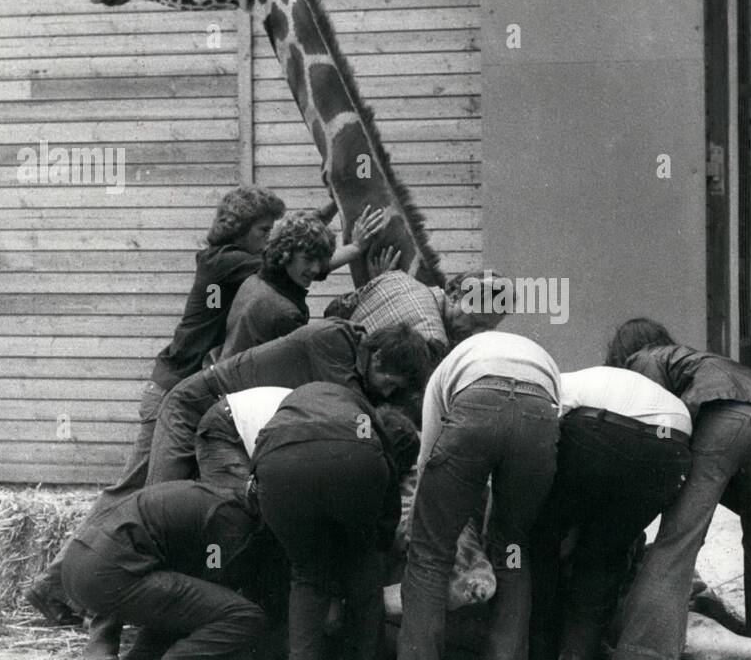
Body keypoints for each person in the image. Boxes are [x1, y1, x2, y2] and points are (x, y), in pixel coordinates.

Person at [27, 185, 285, 660]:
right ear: (239, 230)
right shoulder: (223, 262)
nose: (268, 241)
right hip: (173, 393)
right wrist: (346, 247)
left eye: (272, 232)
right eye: (263, 231)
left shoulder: (231, 260)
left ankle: (59, 587)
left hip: (192, 396)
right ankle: (76, 605)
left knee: (151, 497)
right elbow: (286, 263)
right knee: (133, 494)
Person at [585, 317, 751, 660]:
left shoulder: (645, 359)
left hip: (722, 422)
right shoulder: (702, 359)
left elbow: (655, 424)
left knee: (677, 542)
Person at [378, 331, 561, 660]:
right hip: (540, 411)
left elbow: (428, 458)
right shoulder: (540, 355)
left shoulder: (443, 373)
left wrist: (420, 523)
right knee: (513, 546)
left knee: (430, 553)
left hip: (474, 402)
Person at [250, 383, 419, 660]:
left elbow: (257, 475)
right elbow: (385, 505)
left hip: (278, 462)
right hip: (352, 458)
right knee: (364, 568)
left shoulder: (300, 400)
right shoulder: (368, 424)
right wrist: (376, 546)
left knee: (307, 575)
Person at [527, 366, 693, 660]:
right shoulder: (605, 379)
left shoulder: (560, 381)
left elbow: (546, 435)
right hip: (670, 444)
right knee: (603, 557)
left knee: (542, 542)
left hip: (598, 430)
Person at [59, 480, 270, 660]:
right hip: (112, 571)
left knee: (186, 598)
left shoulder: (216, 497)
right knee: (243, 616)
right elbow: (214, 570)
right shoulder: (229, 519)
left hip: (78, 565)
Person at [147, 319, 434, 485]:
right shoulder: (333, 342)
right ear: (379, 357)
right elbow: (357, 419)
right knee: (154, 500)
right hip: (189, 406)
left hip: (223, 417)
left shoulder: (355, 358)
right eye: (390, 383)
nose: (386, 393)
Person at [216, 206, 388, 361]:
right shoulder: (285, 312)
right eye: (308, 259)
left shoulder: (256, 280)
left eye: (320, 260)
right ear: (285, 255)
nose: (315, 269)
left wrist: (357, 247)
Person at [324, 265, 516, 358]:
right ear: (456, 296)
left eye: (485, 329)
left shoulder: (395, 278)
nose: (475, 333)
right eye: (475, 321)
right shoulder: (435, 343)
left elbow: (333, 310)